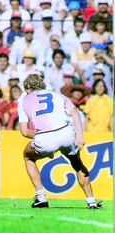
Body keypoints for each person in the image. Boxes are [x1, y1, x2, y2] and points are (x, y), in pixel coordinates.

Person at [18, 74, 102, 209]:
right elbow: (74, 112)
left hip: (44, 137)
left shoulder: (24, 99)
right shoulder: (57, 95)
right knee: (77, 163)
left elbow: (24, 132)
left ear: (28, 87)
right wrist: (79, 136)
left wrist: (43, 135)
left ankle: (40, 198)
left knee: (28, 157)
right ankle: (91, 201)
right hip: (66, 133)